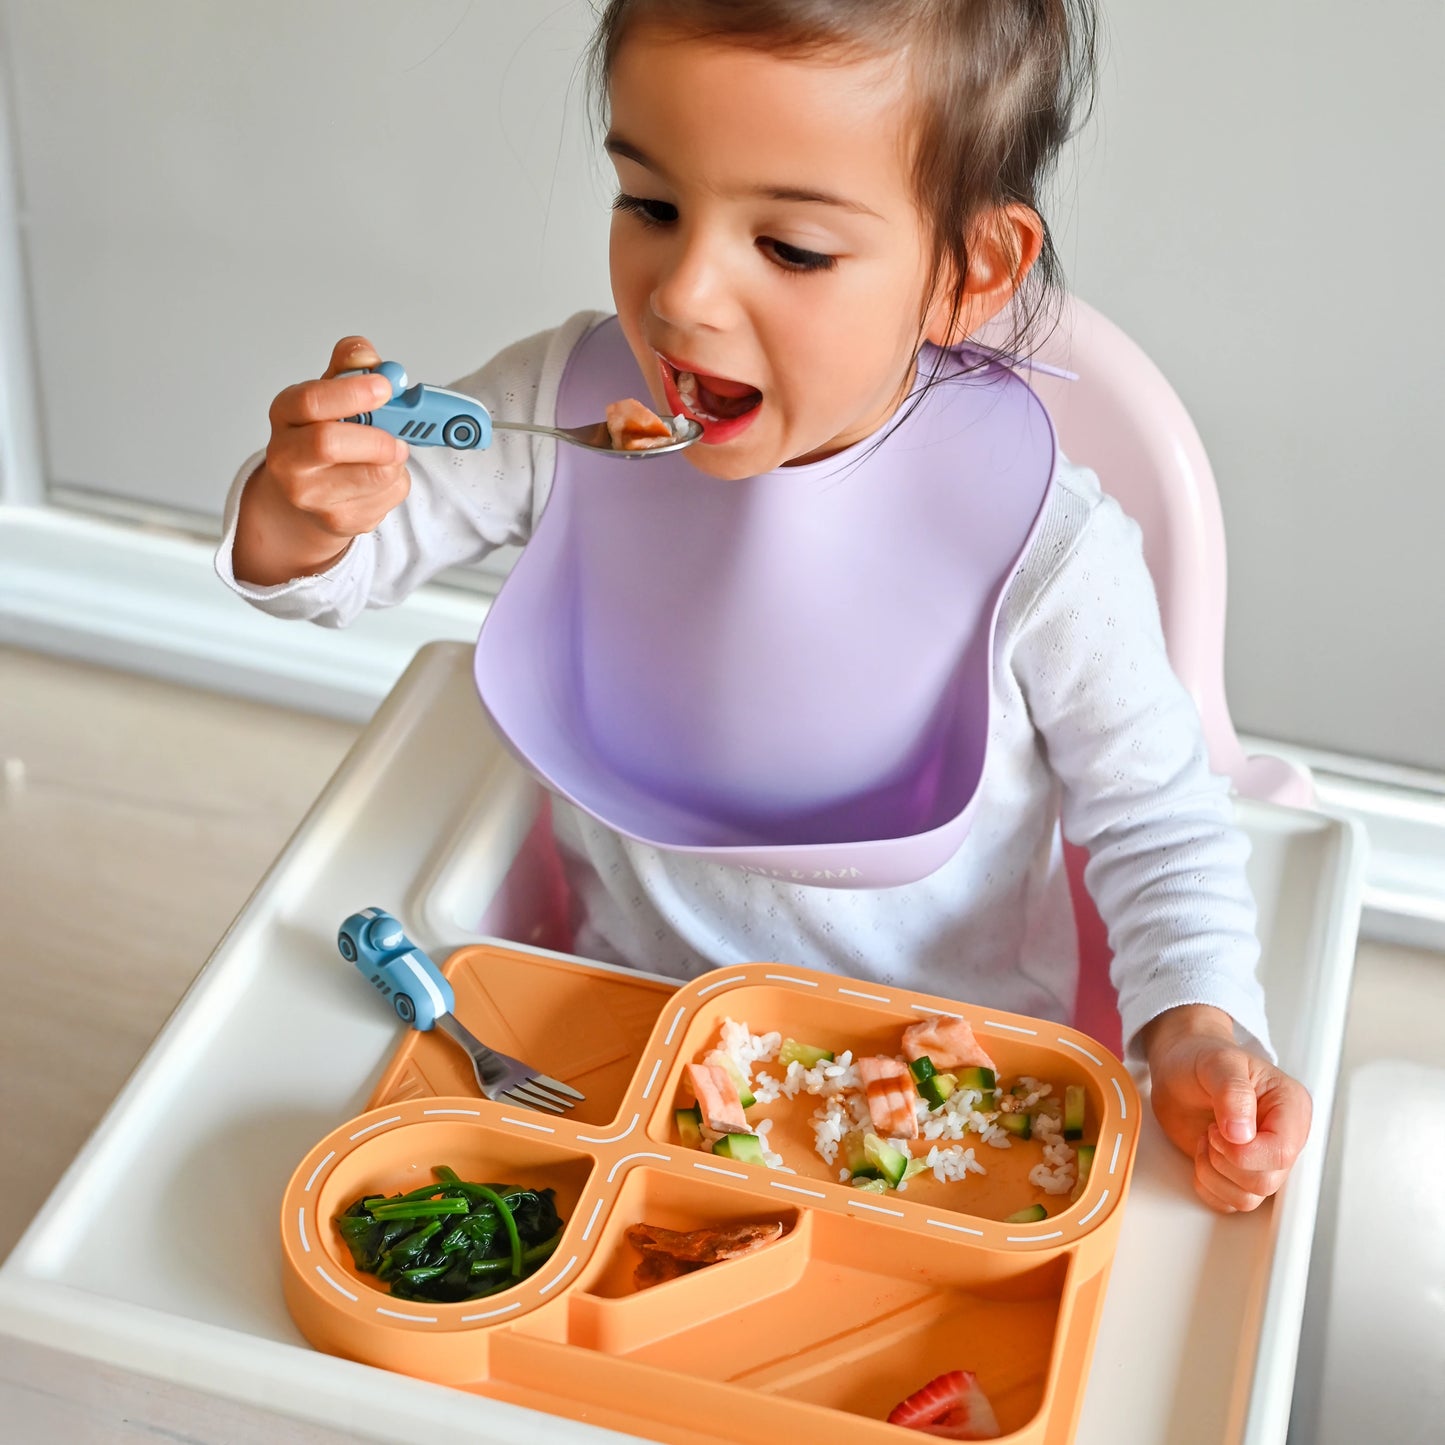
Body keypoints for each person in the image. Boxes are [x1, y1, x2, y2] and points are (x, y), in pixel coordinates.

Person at [218, 0, 1309, 1214]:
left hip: (947, 1108)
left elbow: (1159, 822)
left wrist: (1198, 1027)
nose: (681, 295)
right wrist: (304, 514)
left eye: (787, 247)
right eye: (651, 205)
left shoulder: (1047, 548)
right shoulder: (562, 408)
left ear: (965, 271)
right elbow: (345, 567)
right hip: (623, 1048)